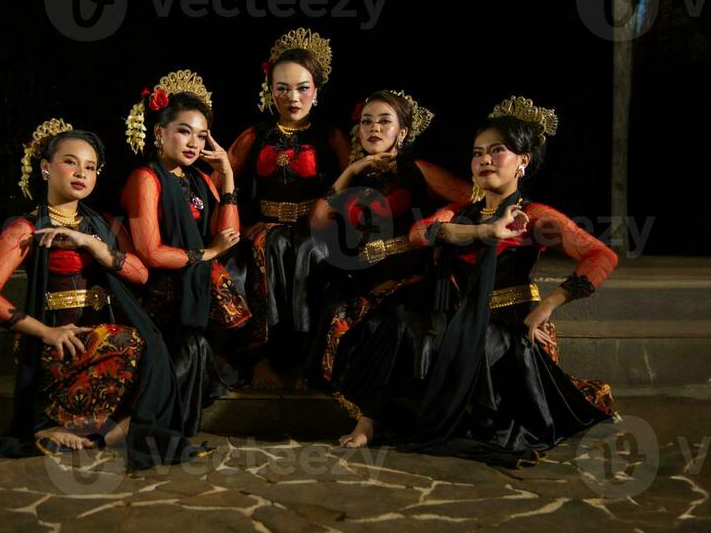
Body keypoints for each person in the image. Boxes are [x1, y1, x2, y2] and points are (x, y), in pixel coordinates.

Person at [331, 97, 618, 466]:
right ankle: (372, 420)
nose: (485, 160)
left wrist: (547, 306)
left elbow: (602, 256)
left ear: (523, 162)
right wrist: (485, 230)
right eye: (478, 152)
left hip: (511, 324)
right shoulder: (462, 212)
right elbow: (421, 233)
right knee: (404, 323)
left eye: (498, 151)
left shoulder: (535, 215)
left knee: (478, 343)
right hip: (462, 318)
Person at [0, 120, 205, 466]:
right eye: (70, 162)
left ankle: (92, 431)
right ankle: (49, 426)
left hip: (98, 339)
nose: (81, 173)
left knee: (149, 348)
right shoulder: (27, 228)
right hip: (54, 344)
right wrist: (46, 330)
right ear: (45, 168)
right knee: (128, 343)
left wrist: (95, 246)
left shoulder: (100, 226)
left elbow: (141, 273)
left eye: (90, 167)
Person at [309, 89, 470, 387]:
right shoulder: (356, 177)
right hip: (365, 276)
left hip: (409, 275)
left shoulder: (417, 170)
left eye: (384, 122)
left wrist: (441, 219)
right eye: (367, 122)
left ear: (402, 132)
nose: (374, 128)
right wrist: (352, 170)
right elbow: (318, 222)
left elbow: (473, 198)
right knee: (336, 313)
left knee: (385, 322)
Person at [119, 69, 250, 436]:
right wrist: (207, 255)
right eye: (184, 131)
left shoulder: (199, 179)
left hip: (190, 282)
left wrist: (227, 174)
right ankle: (143, 426)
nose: (193, 142)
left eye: (201, 135)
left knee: (196, 346)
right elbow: (149, 252)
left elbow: (230, 235)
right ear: (159, 133)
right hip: (157, 288)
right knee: (190, 347)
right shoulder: (145, 179)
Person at [226, 28, 352, 390]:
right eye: (282, 88)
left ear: (316, 90)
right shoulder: (257, 134)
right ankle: (263, 360)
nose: (292, 97)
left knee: (307, 251)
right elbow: (224, 176)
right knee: (269, 245)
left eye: (302, 88)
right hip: (267, 225)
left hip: (315, 228)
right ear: (271, 90)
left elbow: (352, 188)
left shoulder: (330, 136)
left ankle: (303, 362)